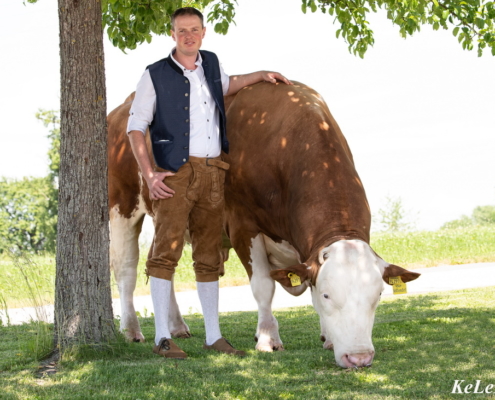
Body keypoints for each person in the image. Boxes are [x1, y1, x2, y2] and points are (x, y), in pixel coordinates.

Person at [127, 6, 292, 359]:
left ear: (204, 32)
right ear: (172, 34)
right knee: (165, 253)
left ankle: (213, 336)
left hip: (215, 172)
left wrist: (261, 74)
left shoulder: (212, 63)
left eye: (194, 29)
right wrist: (149, 173)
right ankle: (161, 337)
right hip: (175, 173)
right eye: (181, 30)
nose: (188, 35)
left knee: (208, 254)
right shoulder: (154, 74)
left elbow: (228, 85)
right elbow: (136, 127)